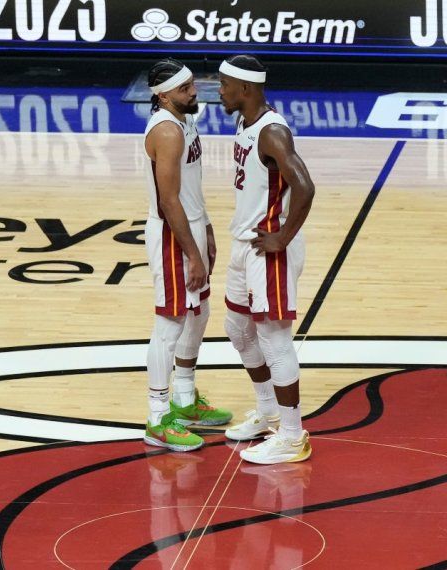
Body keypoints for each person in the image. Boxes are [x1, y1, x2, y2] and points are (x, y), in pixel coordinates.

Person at [218, 55, 316, 464]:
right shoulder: (245, 121)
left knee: (274, 340)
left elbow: (306, 187)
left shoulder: (272, 132)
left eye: (224, 85)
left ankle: (293, 436)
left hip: (268, 249)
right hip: (245, 245)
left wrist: (283, 237)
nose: (218, 92)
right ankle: (268, 409)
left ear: (246, 89)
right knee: (237, 330)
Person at [142, 59, 232, 451]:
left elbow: (192, 186)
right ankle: (158, 417)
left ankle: (184, 398)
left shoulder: (184, 119)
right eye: (185, 89)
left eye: (193, 85)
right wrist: (192, 253)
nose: (194, 92)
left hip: (192, 225)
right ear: (163, 95)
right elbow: (169, 199)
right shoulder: (167, 131)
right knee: (171, 321)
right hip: (171, 233)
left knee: (200, 312)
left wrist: (207, 226)